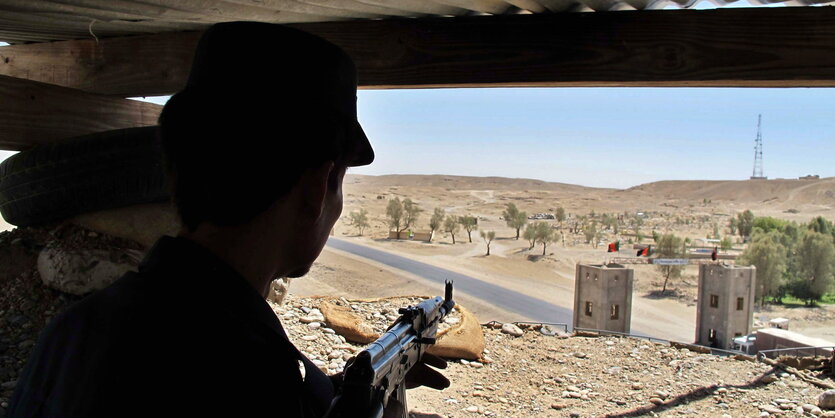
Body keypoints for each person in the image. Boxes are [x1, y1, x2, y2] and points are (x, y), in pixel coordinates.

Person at [9, 22, 446, 417]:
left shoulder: (77, 329)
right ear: (318, 187)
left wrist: (334, 392)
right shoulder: (247, 368)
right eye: (341, 181)